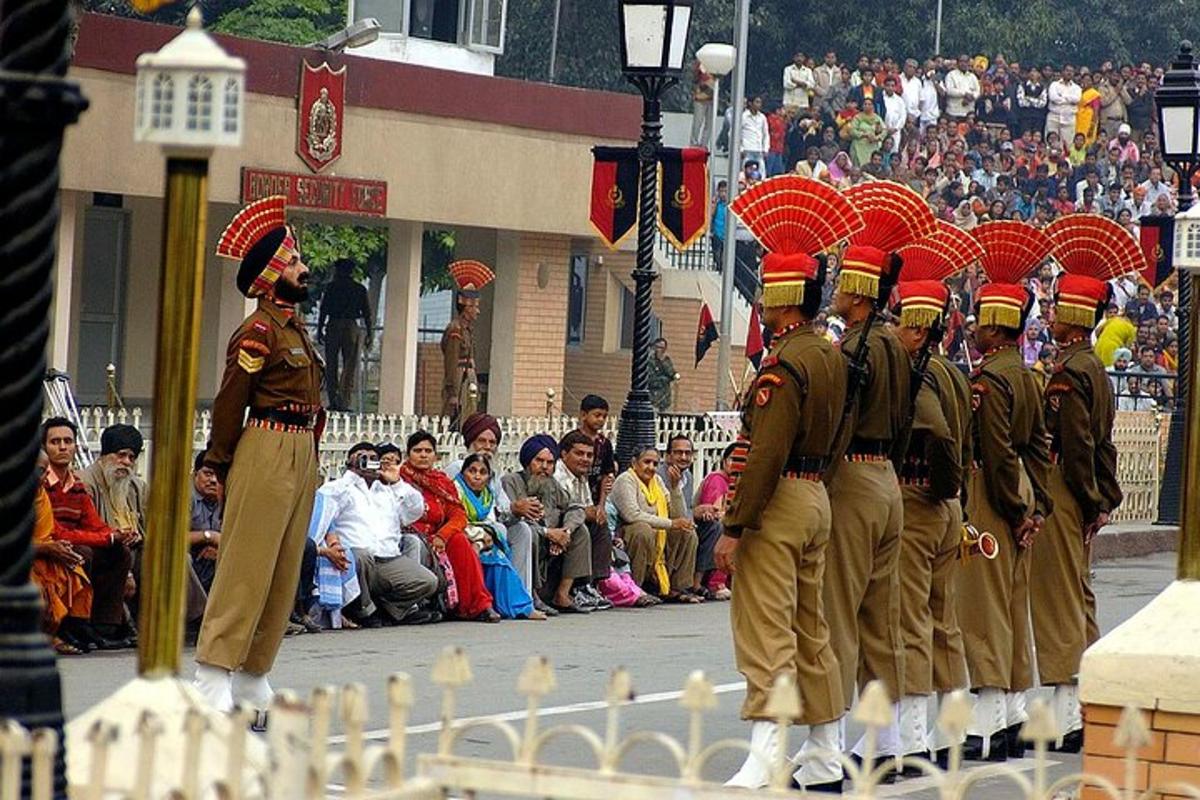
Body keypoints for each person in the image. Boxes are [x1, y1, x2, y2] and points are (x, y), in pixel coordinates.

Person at [717, 236, 848, 791]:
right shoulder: (830, 356)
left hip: (778, 501)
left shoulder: (783, 365)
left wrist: (734, 524)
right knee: (810, 629)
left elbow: (765, 453)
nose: (763, 304)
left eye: (769, 293)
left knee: (767, 628)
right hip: (816, 492)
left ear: (788, 297)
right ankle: (824, 755)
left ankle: (767, 755)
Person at [195, 195, 323, 717]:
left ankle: (254, 673)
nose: (304, 268)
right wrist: (216, 463)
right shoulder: (258, 332)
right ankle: (211, 672)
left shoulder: (294, 328)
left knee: (283, 568)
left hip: (300, 449)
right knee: (246, 566)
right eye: (293, 262)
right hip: (265, 445)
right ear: (271, 275)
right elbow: (230, 403)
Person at [957, 236, 1054, 763]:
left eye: (979, 318)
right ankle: (1015, 714)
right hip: (1020, 500)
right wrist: (1037, 508)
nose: (973, 324)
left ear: (996, 324)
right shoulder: (1027, 375)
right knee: (1013, 609)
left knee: (984, 610)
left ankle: (987, 724)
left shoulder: (989, 381)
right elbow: (1038, 449)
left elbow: (995, 455)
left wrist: (1015, 513)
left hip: (991, 501)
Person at [823, 241, 912, 768]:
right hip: (886, 478)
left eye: (841, 285)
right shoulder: (895, 344)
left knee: (838, 611)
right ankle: (887, 737)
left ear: (859, 294)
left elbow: (839, 422)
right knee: (882, 616)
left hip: (853, 478)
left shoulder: (856, 347)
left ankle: (827, 742)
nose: (834, 293)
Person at [1031, 246, 1123, 753]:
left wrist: (1087, 499)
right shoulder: (1091, 366)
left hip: (1064, 491)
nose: (1050, 316)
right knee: (1077, 598)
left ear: (1073, 317)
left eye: (1057, 308)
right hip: (1080, 490)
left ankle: (1069, 717)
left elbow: (1077, 445)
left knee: (1058, 601)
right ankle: (1082, 707)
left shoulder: (1069, 372)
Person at [889, 264, 975, 766]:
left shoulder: (920, 374)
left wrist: (940, 486)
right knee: (945, 620)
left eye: (902, 320)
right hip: (945, 507)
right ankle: (952, 729)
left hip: (921, 500)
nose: (897, 328)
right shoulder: (952, 372)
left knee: (911, 620)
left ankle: (916, 735)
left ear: (919, 325)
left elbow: (941, 435)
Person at [312, 441, 439, 627]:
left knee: (428, 581)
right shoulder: (341, 488)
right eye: (363, 458)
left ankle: (389, 611)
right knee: (360, 555)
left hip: (388, 558)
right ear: (349, 462)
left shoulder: (388, 491)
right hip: (357, 559)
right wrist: (352, 475)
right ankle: (364, 611)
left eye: (373, 459)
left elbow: (415, 510)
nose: (369, 462)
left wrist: (397, 482)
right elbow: (324, 504)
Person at [41, 418, 135, 649]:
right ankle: (72, 623)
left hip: (73, 543)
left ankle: (105, 626)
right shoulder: (41, 480)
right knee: (85, 552)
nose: (63, 447)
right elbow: (54, 530)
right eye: (55, 442)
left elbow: (93, 522)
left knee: (119, 552)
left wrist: (116, 535)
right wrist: (106, 537)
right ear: (44, 447)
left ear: (75, 446)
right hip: (48, 544)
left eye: (68, 441)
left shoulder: (76, 485)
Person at [396, 431, 500, 622]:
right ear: (407, 454)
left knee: (459, 540)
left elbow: (458, 515)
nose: (423, 455)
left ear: (435, 455)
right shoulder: (399, 479)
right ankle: (416, 606)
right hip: (409, 534)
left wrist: (443, 535)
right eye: (417, 450)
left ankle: (478, 605)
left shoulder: (441, 481)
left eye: (428, 450)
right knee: (416, 543)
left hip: (438, 537)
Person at [445, 413, 537, 605]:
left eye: (492, 442)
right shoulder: (457, 468)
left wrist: (518, 508)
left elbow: (502, 508)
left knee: (522, 530)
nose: (487, 447)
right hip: (464, 526)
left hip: (491, 526)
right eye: (482, 441)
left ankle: (521, 596)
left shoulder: (493, 473)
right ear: (470, 442)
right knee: (499, 530)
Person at [502, 435, 594, 614]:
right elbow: (509, 519)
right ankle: (532, 595)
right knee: (529, 533)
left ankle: (563, 594)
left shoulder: (552, 484)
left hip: (552, 545)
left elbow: (575, 508)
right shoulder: (511, 481)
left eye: (550, 462)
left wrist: (565, 531)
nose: (544, 467)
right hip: (524, 539)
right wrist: (548, 532)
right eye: (539, 461)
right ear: (528, 462)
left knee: (580, 531)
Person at [453, 453, 546, 620]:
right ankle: (509, 606)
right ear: (463, 473)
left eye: (482, 472)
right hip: (460, 536)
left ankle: (519, 607)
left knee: (499, 558)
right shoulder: (456, 490)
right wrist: (482, 537)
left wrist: (484, 537)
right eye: (472, 471)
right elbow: (457, 520)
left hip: (482, 538)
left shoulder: (487, 495)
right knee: (493, 554)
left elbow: (490, 522)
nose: (477, 476)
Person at [611, 446, 699, 602]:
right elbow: (632, 515)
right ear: (634, 462)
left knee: (687, 531)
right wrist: (671, 524)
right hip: (628, 532)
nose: (651, 467)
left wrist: (674, 488)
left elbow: (678, 515)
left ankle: (677, 587)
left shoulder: (657, 480)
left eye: (655, 463)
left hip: (657, 530)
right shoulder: (626, 480)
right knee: (643, 529)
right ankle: (637, 587)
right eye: (647, 462)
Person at [31, 449, 93, 655]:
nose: (42, 478)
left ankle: (51, 634)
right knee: (35, 589)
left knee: (72, 571)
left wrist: (58, 549)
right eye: (38, 471)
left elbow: (44, 533)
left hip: (32, 556)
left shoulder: (39, 495)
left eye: (43, 472)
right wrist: (46, 548)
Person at [555, 430, 615, 611]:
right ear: (564, 454)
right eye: (579, 453)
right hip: (560, 524)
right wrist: (585, 512)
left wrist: (596, 511)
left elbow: (588, 506)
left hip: (575, 521)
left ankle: (590, 586)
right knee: (583, 528)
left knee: (600, 523)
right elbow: (566, 509)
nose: (585, 459)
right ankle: (575, 589)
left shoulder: (581, 477)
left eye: (589, 455)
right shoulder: (559, 476)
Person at [660, 434, 721, 599]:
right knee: (688, 531)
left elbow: (686, 509)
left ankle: (697, 582)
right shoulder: (660, 476)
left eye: (687, 453)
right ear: (668, 456)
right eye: (678, 453)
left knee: (714, 526)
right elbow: (669, 511)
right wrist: (692, 514)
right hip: (665, 523)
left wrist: (701, 511)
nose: (683, 457)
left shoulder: (687, 477)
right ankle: (679, 586)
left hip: (683, 519)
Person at [441, 260, 494, 427]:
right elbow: (451, 361)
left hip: (468, 377)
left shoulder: (467, 329)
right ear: (466, 307)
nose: (477, 311)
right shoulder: (455, 329)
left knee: (468, 418)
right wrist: (452, 392)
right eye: (474, 307)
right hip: (459, 376)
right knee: (453, 419)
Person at [317, 258, 372, 412]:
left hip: (333, 324)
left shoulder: (331, 288)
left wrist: (320, 328)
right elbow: (367, 314)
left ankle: (334, 400)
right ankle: (344, 401)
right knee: (350, 364)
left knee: (331, 364)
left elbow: (323, 310)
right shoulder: (359, 289)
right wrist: (369, 333)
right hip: (351, 326)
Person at [189, 449, 223, 594]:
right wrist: (210, 536)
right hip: (189, 555)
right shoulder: (185, 496)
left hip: (214, 556)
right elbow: (172, 539)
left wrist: (219, 549)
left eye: (219, 475)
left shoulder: (226, 497)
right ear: (196, 474)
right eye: (208, 474)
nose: (214, 480)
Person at [1047, 66, 1081, 146]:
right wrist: (1069, 99)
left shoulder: (1077, 88)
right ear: (1062, 72)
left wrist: (1061, 96)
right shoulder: (1054, 85)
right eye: (1067, 70)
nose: (1069, 73)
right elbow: (1053, 98)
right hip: (1054, 118)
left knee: (1067, 144)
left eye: (1071, 71)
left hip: (1069, 119)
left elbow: (1077, 99)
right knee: (1050, 142)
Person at [945, 55, 980, 121]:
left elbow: (977, 91)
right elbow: (949, 91)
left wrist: (971, 98)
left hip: (969, 113)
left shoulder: (972, 76)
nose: (963, 64)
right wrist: (964, 94)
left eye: (966, 61)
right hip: (954, 113)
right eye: (961, 61)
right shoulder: (951, 75)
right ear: (957, 63)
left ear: (969, 63)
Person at [648, 337, 678, 413]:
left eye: (663, 348)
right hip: (654, 399)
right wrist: (665, 379)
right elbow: (651, 380)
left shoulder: (666, 360)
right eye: (658, 347)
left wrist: (662, 361)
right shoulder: (650, 361)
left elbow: (672, 374)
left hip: (665, 400)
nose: (660, 350)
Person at [741, 95, 770, 170]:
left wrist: (765, 149)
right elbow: (735, 134)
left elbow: (765, 134)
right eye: (757, 102)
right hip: (747, 150)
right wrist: (741, 149)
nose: (759, 105)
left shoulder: (762, 117)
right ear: (750, 103)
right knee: (747, 173)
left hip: (759, 150)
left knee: (761, 173)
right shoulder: (743, 116)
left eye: (760, 102)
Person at [691, 58, 716, 146]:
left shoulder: (716, 65)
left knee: (709, 124)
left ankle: (703, 144)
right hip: (700, 99)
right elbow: (698, 80)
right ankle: (694, 143)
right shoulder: (699, 64)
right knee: (698, 122)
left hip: (712, 98)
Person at [1074, 73, 1102, 147]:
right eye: (1084, 80)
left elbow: (1096, 111)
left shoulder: (1094, 94)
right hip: (1079, 121)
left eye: (1089, 80)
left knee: (1087, 142)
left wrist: (1092, 126)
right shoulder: (1078, 92)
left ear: (1092, 82)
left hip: (1089, 123)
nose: (1086, 82)